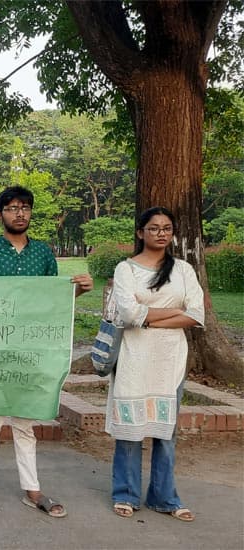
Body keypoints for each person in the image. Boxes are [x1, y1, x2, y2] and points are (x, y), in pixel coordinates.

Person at [0, 185, 93, 520]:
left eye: (25, 207)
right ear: (0, 214)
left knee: (25, 422)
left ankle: (33, 490)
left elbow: (50, 305)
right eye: (12, 208)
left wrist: (79, 293)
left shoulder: (43, 254)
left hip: (31, 351)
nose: (20, 213)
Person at [107, 207, 203, 522]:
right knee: (131, 429)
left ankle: (165, 497)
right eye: (153, 228)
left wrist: (148, 318)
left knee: (166, 432)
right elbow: (128, 314)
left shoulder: (184, 270)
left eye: (166, 228)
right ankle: (126, 493)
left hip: (170, 359)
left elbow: (196, 315)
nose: (161, 233)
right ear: (140, 233)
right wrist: (168, 314)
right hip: (133, 357)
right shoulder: (127, 269)